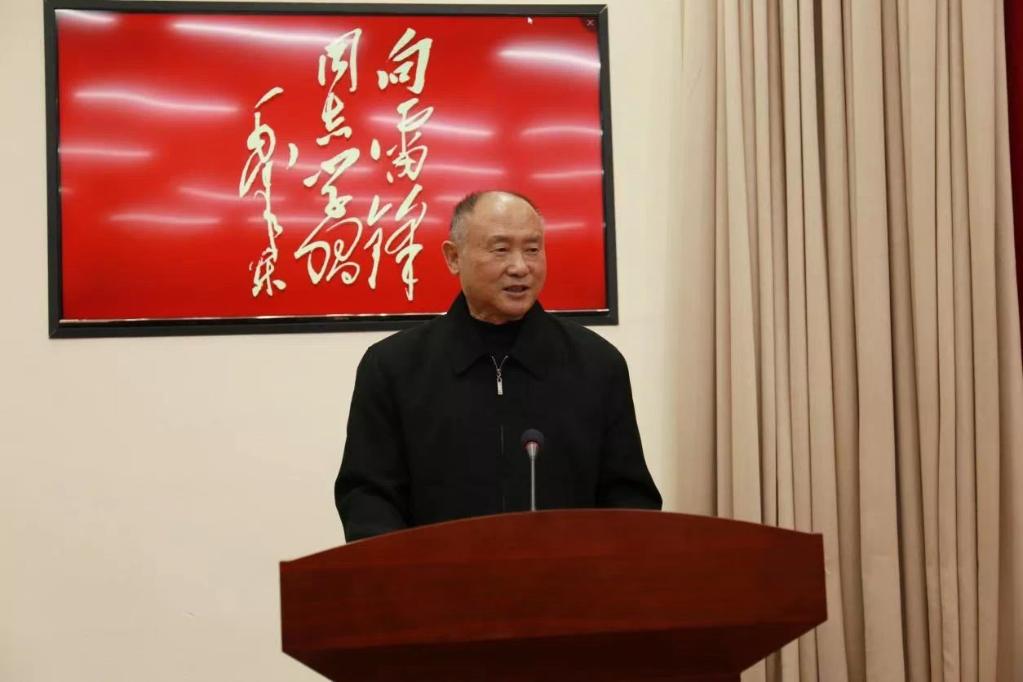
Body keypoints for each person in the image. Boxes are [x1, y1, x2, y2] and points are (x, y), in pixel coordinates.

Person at [335, 190, 661, 541]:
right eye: (501, 249)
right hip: (435, 574)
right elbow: (369, 498)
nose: (520, 267)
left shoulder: (597, 364)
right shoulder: (393, 367)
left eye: (533, 249)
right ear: (453, 257)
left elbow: (629, 497)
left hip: (567, 574)